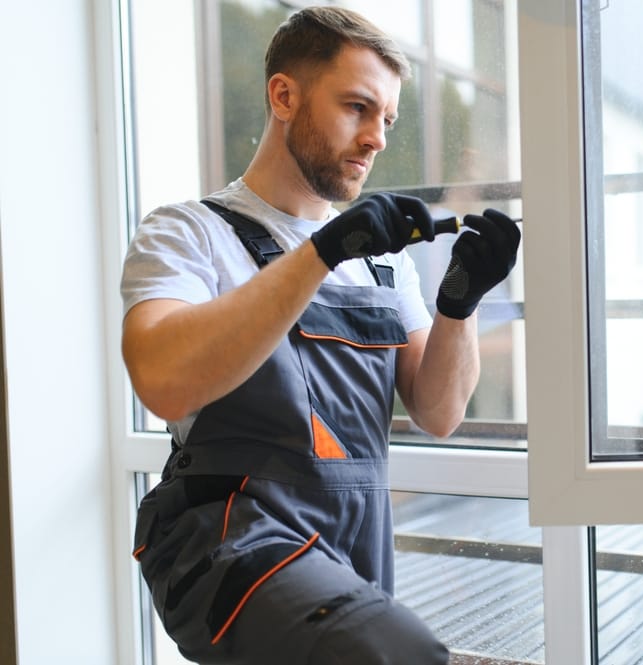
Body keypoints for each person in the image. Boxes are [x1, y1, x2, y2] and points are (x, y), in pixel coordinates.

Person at [121, 6, 520, 664]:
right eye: (358, 107)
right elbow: (162, 381)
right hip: (228, 541)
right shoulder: (189, 234)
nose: (377, 138)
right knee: (399, 652)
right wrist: (324, 251)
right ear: (284, 96)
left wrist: (460, 302)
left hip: (351, 544)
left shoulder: (384, 263)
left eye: (387, 119)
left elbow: (440, 410)